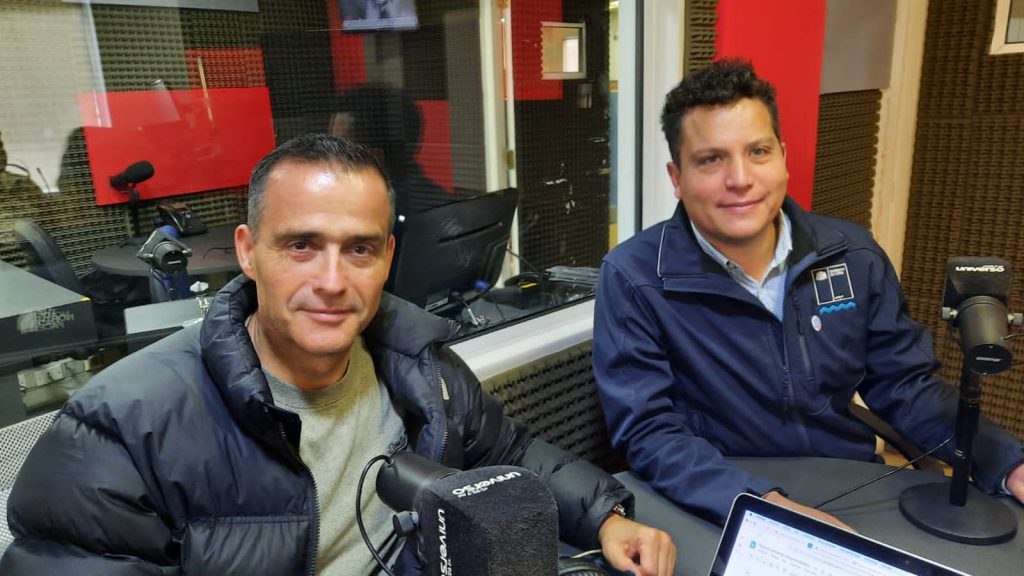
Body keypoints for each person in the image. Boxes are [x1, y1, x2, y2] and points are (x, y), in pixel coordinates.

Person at [1, 134, 675, 575]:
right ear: (247, 252)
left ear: (388, 256)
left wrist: (605, 518)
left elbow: (507, 452)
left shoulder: (420, 363)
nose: (332, 281)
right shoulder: (121, 427)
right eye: (301, 245)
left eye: (359, 249)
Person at [593, 59, 1024, 527]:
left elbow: (904, 386)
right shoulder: (635, 276)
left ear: (783, 156)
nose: (740, 179)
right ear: (677, 178)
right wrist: (763, 506)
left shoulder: (853, 253)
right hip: (718, 497)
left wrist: (1006, 461)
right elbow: (649, 432)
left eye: (758, 152)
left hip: (847, 482)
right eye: (711, 159)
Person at [327, 84, 455, 218]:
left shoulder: (383, 215)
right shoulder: (433, 201)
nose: (330, 156)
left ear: (374, 157)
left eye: (340, 147)